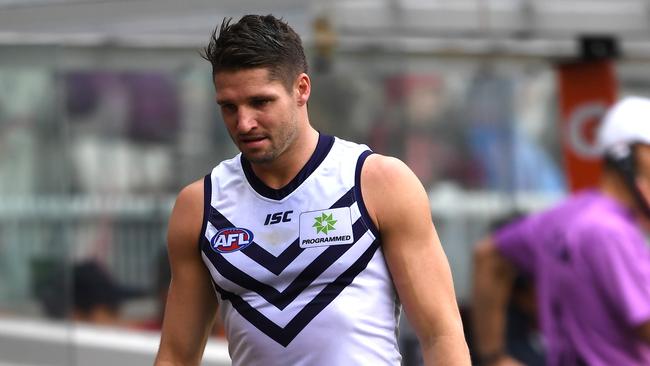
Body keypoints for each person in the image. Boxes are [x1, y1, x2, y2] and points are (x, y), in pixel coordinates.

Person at [155, 14, 470, 366]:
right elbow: (177, 356)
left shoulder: (378, 182)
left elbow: (441, 333)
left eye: (260, 102)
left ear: (301, 89)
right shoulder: (199, 206)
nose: (244, 122)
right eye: (229, 107)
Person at [472, 96, 650, 366]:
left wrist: (494, 356)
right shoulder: (612, 231)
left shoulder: (561, 217)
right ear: (631, 154)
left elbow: (487, 255)